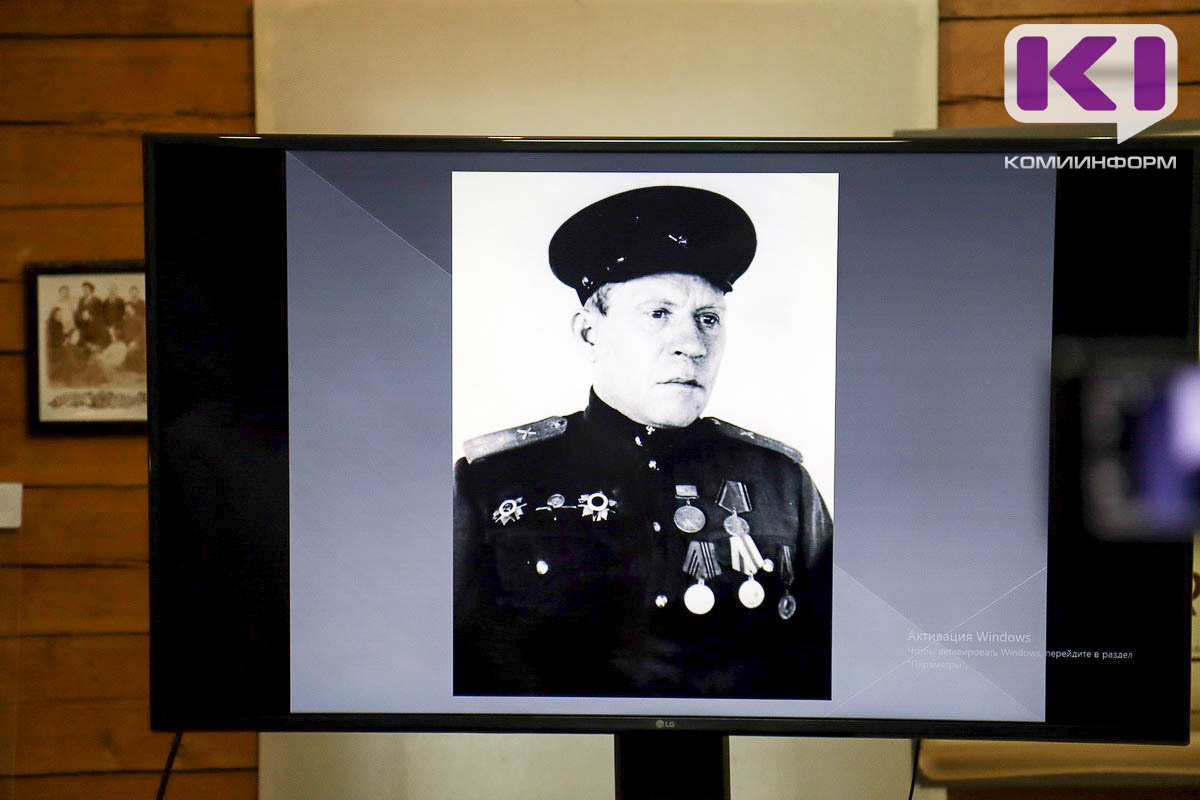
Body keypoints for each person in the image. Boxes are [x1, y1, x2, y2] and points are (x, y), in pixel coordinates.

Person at [453, 185, 833, 699]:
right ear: (589, 333)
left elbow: (831, 668)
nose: (692, 344)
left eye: (708, 319)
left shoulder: (783, 484)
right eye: (659, 314)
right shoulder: (491, 482)